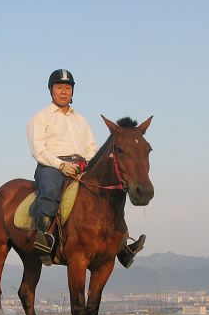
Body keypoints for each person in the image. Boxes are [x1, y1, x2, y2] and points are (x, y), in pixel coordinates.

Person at [27, 68, 145, 267]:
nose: (63, 91)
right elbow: (38, 149)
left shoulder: (80, 120)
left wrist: (93, 166)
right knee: (51, 189)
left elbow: (91, 148)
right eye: (59, 87)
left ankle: (121, 244)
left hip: (81, 166)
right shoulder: (40, 117)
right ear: (50, 90)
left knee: (109, 195)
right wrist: (61, 165)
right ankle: (45, 238)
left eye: (67, 87)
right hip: (52, 165)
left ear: (72, 91)